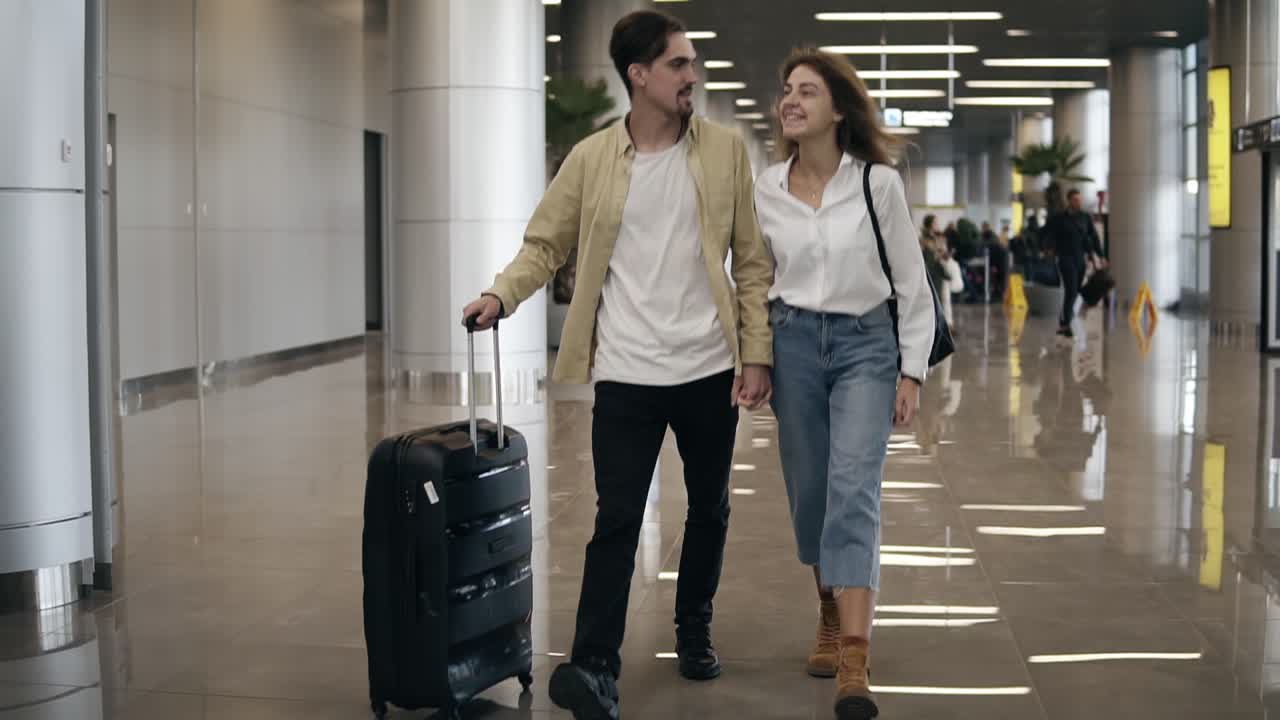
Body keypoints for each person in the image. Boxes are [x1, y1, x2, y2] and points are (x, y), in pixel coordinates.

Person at [461, 10, 773, 720]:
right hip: (627, 372)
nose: (692, 76)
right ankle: (594, 665)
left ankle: (693, 628)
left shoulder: (724, 151)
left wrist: (756, 353)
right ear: (639, 75)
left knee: (711, 509)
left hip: (706, 368)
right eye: (678, 65)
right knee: (616, 517)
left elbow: (751, 262)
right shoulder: (593, 158)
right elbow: (546, 244)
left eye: (692, 64)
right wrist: (500, 295)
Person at [753, 47, 935, 720]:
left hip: (865, 345)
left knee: (852, 487)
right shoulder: (766, 187)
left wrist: (910, 371)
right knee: (808, 497)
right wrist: (755, 356)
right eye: (787, 90)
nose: (791, 101)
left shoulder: (876, 185)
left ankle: (854, 657)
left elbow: (912, 286)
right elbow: (753, 277)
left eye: (807, 91)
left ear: (838, 108)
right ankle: (827, 604)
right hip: (793, 342)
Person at [1046, 188, 1106, 338]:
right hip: (1065, 259)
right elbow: (1050, 235)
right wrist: (1050, 248)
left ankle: (1063, 319)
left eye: (1080, 200)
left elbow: (1093, 237)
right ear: (1069, 201)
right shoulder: (1060, 218)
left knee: (1076, 290)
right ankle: (1065, 325)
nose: (1079, 202)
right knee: (1071, 290)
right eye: (1075, 200)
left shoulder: (1085, 218)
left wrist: (1101, 255)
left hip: (1080, 259)